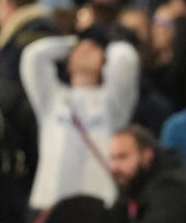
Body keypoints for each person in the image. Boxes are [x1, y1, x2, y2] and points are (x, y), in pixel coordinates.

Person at [20, 28, 141, 211]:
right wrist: (72, 41)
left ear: (104, 61)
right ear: (68, 60)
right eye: (79, 49)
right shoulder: (52, 98)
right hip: (48, 204)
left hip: (98, 205)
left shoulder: (113, 103)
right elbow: (33, 55)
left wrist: (104, 41)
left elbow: (125, 57)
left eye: (93, 49)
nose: (85, 50)